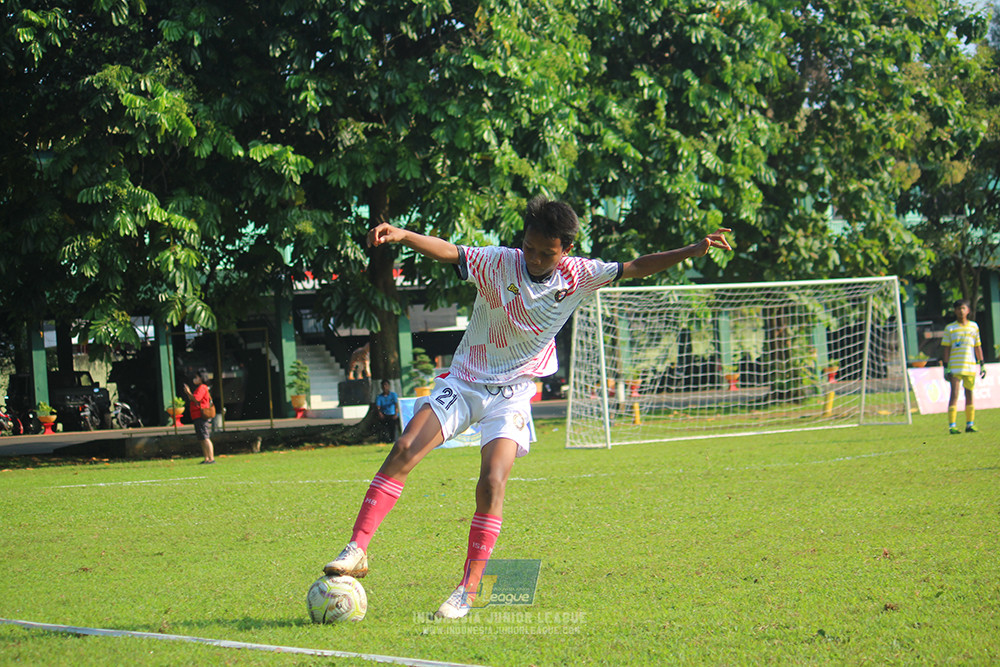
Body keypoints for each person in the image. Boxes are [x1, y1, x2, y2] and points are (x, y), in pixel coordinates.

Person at [322, 196, 732, 619]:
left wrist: (692, 250)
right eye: (530, 247)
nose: (535, 258)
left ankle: (467, 589)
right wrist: (405, 234)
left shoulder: (580, 275)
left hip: (514, 392)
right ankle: (358, 547)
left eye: (546, 252)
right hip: (465, 380)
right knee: (405, 448)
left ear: (565, 250)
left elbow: (637, 265)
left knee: (492, 482)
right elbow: (453, 251)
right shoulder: (499, 262)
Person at [941, 299, 986, 434]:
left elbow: (977, 346)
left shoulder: (974, 327)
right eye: (958, 309)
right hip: (955, 367)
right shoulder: (950, 328)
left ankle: (970, 424)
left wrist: (982, 364)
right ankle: (952, 426)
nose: (961, 311)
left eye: (963, 308)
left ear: (968, 310)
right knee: (954, 393)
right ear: (955, 311)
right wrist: (946, 367)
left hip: (970, 367)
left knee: (969, 394)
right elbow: (946, 349)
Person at [183, 371, 215, 463]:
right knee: (201, 438)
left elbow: (196, 399)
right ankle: (207, 458)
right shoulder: (200, 388)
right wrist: (188, 393)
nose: (195, 379)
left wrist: (189, 392)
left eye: (196, 377)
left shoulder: (202, 387)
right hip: (197, 416)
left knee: (205, 437)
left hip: (201, 415)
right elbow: (194, 399)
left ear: (201, 379)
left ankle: (211, 458)